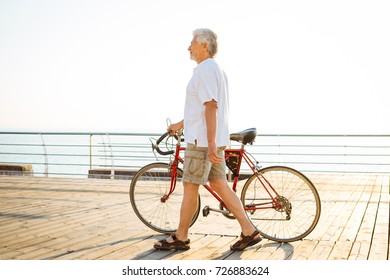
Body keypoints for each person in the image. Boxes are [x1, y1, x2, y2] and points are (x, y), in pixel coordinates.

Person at [154, 28, 261, 251]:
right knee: (220, 185)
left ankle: (180, 237)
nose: (188, 47)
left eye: (192, 43)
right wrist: (180, 124)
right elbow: (204, 107)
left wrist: (210, 143)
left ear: (204, 45)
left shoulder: (204, 70)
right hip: (211, 139)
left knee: (190, 187)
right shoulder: (216, 70)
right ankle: (249, 231)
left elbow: (210, 105)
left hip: (202, 142)